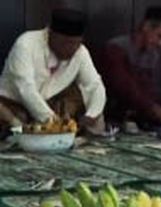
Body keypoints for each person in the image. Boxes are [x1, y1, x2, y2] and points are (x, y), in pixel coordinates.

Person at [0, 8, 106, 136]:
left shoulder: (80, 52)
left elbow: (95, 85)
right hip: (13, 105)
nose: (71, 49)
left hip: (50, 106)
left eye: (75, 44)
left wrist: (90, 116)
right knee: (14, 123)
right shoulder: (26, 44)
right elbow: (26, 89)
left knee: (97, 117)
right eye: (65, 43)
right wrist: (54, 123)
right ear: (50, 34)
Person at [97, 7, 161, 128]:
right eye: (160, 36)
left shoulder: (153, 55)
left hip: (137, 120)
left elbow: (148, 89)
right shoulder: (115, 48)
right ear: (146, 26)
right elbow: (123, 87)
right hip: (110, 117)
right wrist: (153, 109)